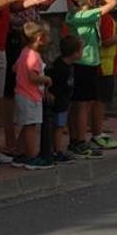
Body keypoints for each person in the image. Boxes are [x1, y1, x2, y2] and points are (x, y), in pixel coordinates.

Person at [0, 0, 59, 157]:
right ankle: (10, 139)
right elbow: (12, 6)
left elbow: (33, 4)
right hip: (14, 34)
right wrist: (30, 0)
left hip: (29, 34)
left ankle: (23, 140)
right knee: (10, 90)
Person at [0, 0, 47, 166]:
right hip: (6, 38)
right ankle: (10, 141)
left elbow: (13, 3)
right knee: (5, 95)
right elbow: (8, 1)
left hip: (2, 42)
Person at [66, 0, 117, 156]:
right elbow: (112, 3)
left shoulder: (76, 15)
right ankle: (79, 141)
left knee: (82, 104)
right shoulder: (84, 16)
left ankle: (76, 139)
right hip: (85, 63)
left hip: (88, 63)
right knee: (82, 105)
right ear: (88, 0)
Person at [10, 21, 53, 169]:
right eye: (47, 35)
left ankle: (20, 153)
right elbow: (33, 77)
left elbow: (15, 68)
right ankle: (31, 156)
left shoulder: (24, 52)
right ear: (39, 38)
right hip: (30, 96)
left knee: (26, 125)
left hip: (22, 94)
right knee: (31, 127)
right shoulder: (33, 56)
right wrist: (46, 79)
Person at [92, 0, 117, 150]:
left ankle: (96, 127)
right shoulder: (105, 18)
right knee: (100, 100)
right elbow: (106, 41)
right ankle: (97, 131)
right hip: (104, 64)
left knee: (99, 99)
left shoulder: (105, 17)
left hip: (107, 63)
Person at [45, 35, 83, 164]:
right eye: (80, 50)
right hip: (59, 102)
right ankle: (57, 151)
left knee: (59, 126)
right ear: (75, 53)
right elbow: (54, 82)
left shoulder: (67, 66)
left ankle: (55, 149)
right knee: (58, 127)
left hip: (65, 100)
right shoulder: (60, 68)